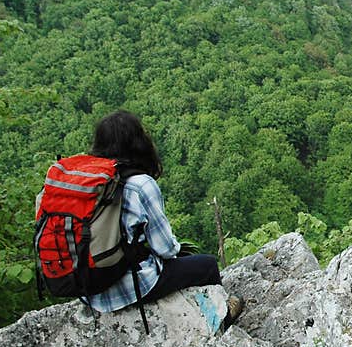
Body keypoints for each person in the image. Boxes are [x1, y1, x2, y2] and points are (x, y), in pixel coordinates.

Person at [85, 109, 242, 323]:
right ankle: (219, 319)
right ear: (137, 144)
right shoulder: (140, 185)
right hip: (130, 285)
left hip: (90, 287)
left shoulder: (90, 183)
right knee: (207, 266)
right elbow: (166, 249)